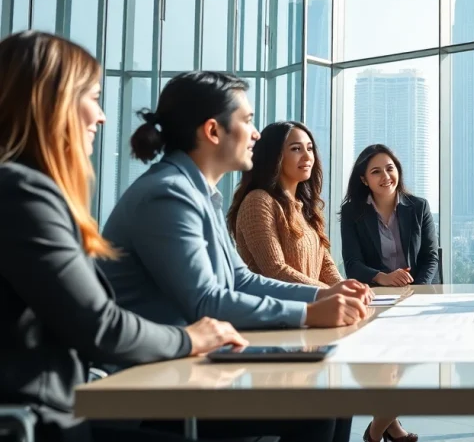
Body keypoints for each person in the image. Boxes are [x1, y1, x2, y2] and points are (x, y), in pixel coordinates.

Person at [0, 31, 247, 442]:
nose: (102, 116)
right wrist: (190, 337)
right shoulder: (21, 194)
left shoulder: (24, 190)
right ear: (51, 102)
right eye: (93, 97)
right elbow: (100, 327)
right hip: (40, 422)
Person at [100, 72, 370, 442]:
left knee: (334, 396)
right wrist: (308, 313)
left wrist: (323, 295)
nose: (256, 133)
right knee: (318, 407)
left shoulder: (200, 194)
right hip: (152, 386)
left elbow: (242, 279)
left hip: (193, 366)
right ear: (213, 131)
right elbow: (205, 301)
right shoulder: (167, 195)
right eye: (247, 120)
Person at [227, 121, 343, 288]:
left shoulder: (304, 207)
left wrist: (346, 289)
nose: (307, 156)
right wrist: (331, 292)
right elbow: (275, 270)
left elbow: (325, 264)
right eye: (296, 149)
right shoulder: (258, 201)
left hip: (309, 309)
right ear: (274, 156)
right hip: (274, 311)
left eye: (309, 148)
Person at [340, 144, 439, 287]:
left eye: (390, 169)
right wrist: (382, 277)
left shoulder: (419, 207)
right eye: (376, 172)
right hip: (376, 292)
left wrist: (418, 290)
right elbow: (352, 263)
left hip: (418, 289)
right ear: (364, 179)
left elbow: (430, 258)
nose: (386, 176)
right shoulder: (351, 211)